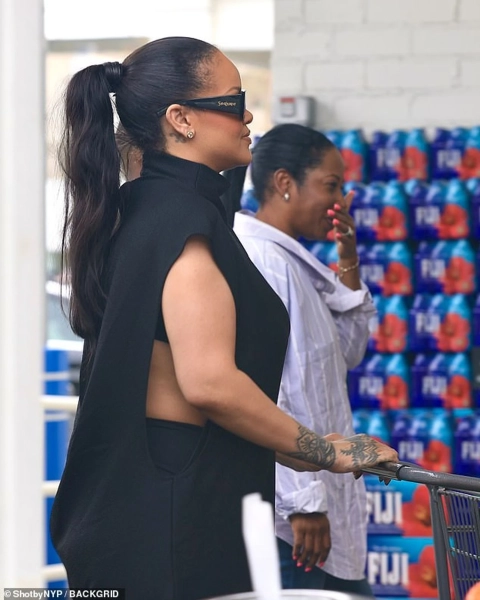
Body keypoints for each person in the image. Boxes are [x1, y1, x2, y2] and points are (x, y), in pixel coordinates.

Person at [50, 36, 398, 600]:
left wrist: (307, 447)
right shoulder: (182, 221)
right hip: (175, 524)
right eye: (234, 102)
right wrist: (330, 453)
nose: (248, 116)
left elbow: (186, 389)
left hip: (160, 511)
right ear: (181, 119)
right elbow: (209, 383)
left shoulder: (145, 209)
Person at [233, 124, 376, 596]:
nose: (339, 202)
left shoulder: (291, 262)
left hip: (321, 500)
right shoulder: (263, 261)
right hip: (299, 521)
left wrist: (348, 256)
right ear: (284, 183)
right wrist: (302, 500)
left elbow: (348, 353)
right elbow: (272, 388)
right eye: (330, 186)